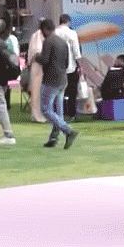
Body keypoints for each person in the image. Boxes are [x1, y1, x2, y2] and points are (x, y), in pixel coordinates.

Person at [39, 19, 78, 150]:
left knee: (46, 109)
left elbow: (44, 60)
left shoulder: (48, 41)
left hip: (51, 80)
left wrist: (35, 57)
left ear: (44, 29)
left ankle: (68, 131)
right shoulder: (62, 42)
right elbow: (67, 63)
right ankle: (54, 137)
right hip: (63, 79)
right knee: (58, 111)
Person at [58, 13, 82, 119]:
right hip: (70, 67)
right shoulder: (72, 33)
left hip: (57, 68)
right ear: (68, 22)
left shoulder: (54, 33)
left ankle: (59, 113)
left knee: (59, 92)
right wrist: (80, 66)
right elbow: (76, 51)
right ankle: (72, 114)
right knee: (72, 92)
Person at [26, 20, 46, 124]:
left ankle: (36, 114)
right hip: (38, 66)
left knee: (37, 91)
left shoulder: (36, 34)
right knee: (37, 91)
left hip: (37, 65)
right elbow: (37, 51)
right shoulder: (38, 35)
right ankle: (37, 115)